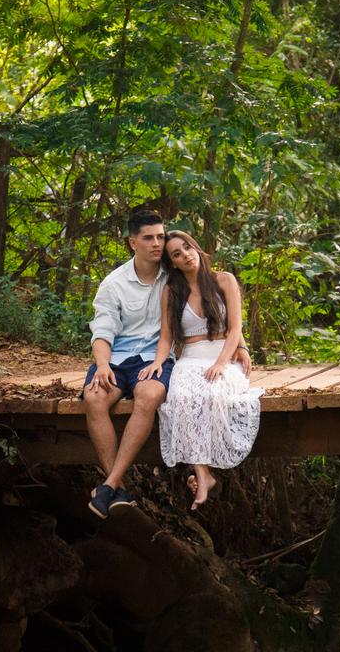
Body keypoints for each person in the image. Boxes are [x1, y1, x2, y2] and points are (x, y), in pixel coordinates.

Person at [82, 211, 250, 519]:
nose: (157, 244)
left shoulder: (174, 276)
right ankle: (115, 486)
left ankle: (108, 487)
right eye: (148, 238)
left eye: (161, 237)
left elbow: (220, 314)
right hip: (117, 359)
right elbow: (102, 331)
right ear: (132, 243)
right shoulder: (114, 284)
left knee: (149, 396)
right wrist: (102, 364)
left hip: (152, 361)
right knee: (93, 398)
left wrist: (238, 346)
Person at [139, 230, 262, 509]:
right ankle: (202, 473)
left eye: (187, 247)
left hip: (223, 356)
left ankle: (202, 472)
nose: (186, 255)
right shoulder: (172, 290)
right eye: (177, 254)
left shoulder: (224, 280)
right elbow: (167, 338)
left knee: (211, 395)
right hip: (190, 359)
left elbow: (235, 330)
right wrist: (158, 362)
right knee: (181, 396)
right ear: (173, 263)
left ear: (196, 247)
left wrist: (222, 362)